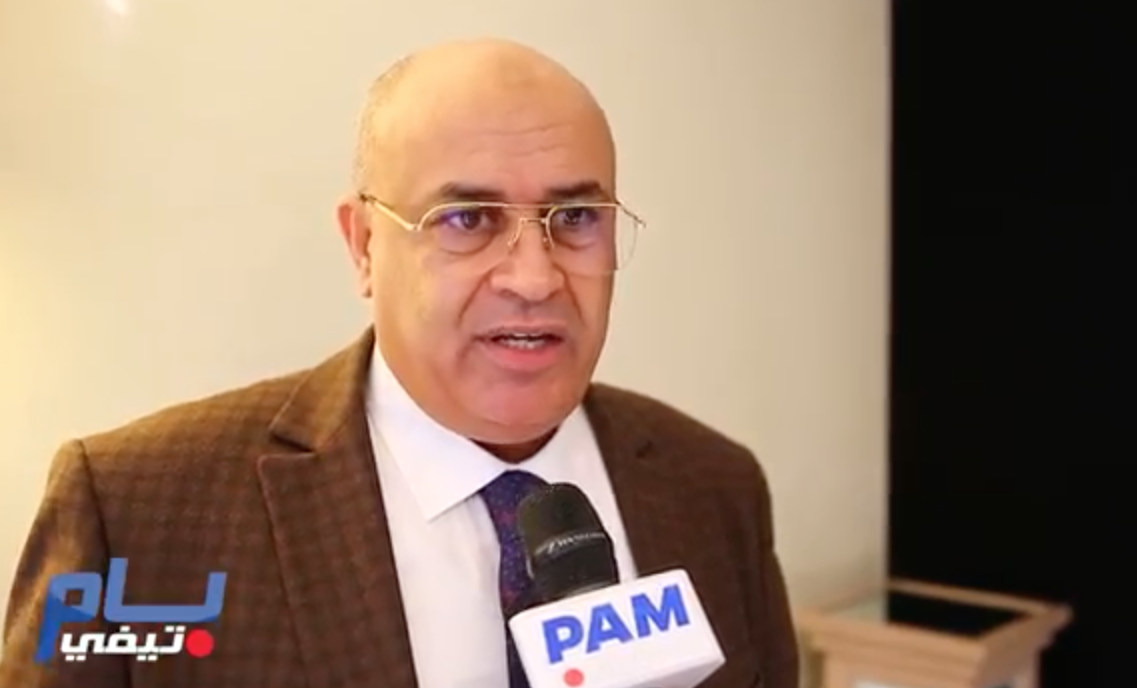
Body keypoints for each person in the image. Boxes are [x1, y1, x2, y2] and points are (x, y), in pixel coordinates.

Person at [0, 38, 799, 688]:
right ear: (364, 246)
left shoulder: (714, 485)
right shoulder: (136, 512)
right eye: (468, 219)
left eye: (576, 216)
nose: (535, 278)